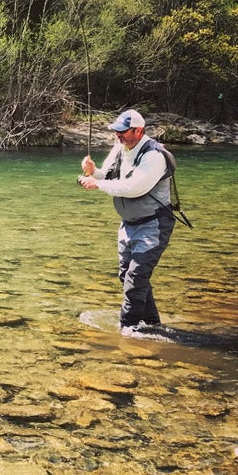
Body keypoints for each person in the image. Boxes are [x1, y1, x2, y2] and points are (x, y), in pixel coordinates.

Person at [78, 109, 176, 335]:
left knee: (136, 276)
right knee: (127, 275)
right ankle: (151, 324)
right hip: (129, 223)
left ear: (138, 131)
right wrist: (95, 172)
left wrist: (97, 185)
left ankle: (128, 327)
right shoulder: (120, 148)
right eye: (116, 131)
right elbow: (109, 175)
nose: (117, 135)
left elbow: (133, 188)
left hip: (154, 224)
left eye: (122, 131)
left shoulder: (154, 156)